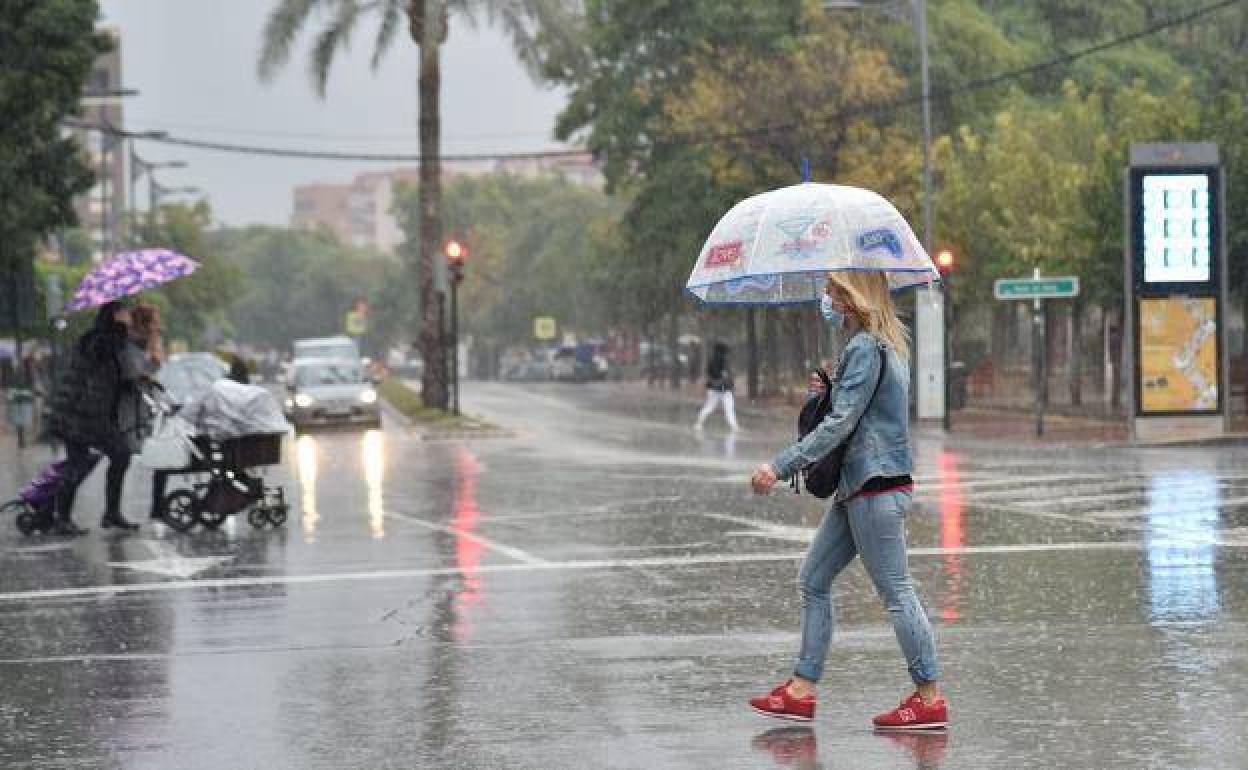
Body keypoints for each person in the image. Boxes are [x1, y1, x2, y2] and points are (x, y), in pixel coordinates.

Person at [747, 271, 947, 730]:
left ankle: (929, 695)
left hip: (874, 487)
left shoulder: (865, 347)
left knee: (897, 592)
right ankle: (802, 689)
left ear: (853, 298)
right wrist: (832, 391)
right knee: (813, 579)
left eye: (833, 291)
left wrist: (780, 466)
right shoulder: (887, 346)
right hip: (861, 485)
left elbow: (842, 424)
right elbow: (866, 411)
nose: (826, 299)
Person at [46, 301, 143, 534]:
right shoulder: (97, 340)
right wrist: (120, 334)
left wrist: (135, 383)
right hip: (81, 414)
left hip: (94, 414)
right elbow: (100, 357)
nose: (129, 316)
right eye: (124, 312)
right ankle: (63, 517)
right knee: (87, 462)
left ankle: (110, 513)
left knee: (117, 456)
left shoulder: (112, 340)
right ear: (113, 315)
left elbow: (114, 376)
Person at [694, 342, 739, 432]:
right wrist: (729, 383)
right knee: (729, 409)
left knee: (709, 407)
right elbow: (727, 375)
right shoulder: (724, 361)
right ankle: (734, 427)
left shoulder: (712, 360)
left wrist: (712, 383)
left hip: (715, 388)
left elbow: (709, 374)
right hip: (723, 388)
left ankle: (698, 423)